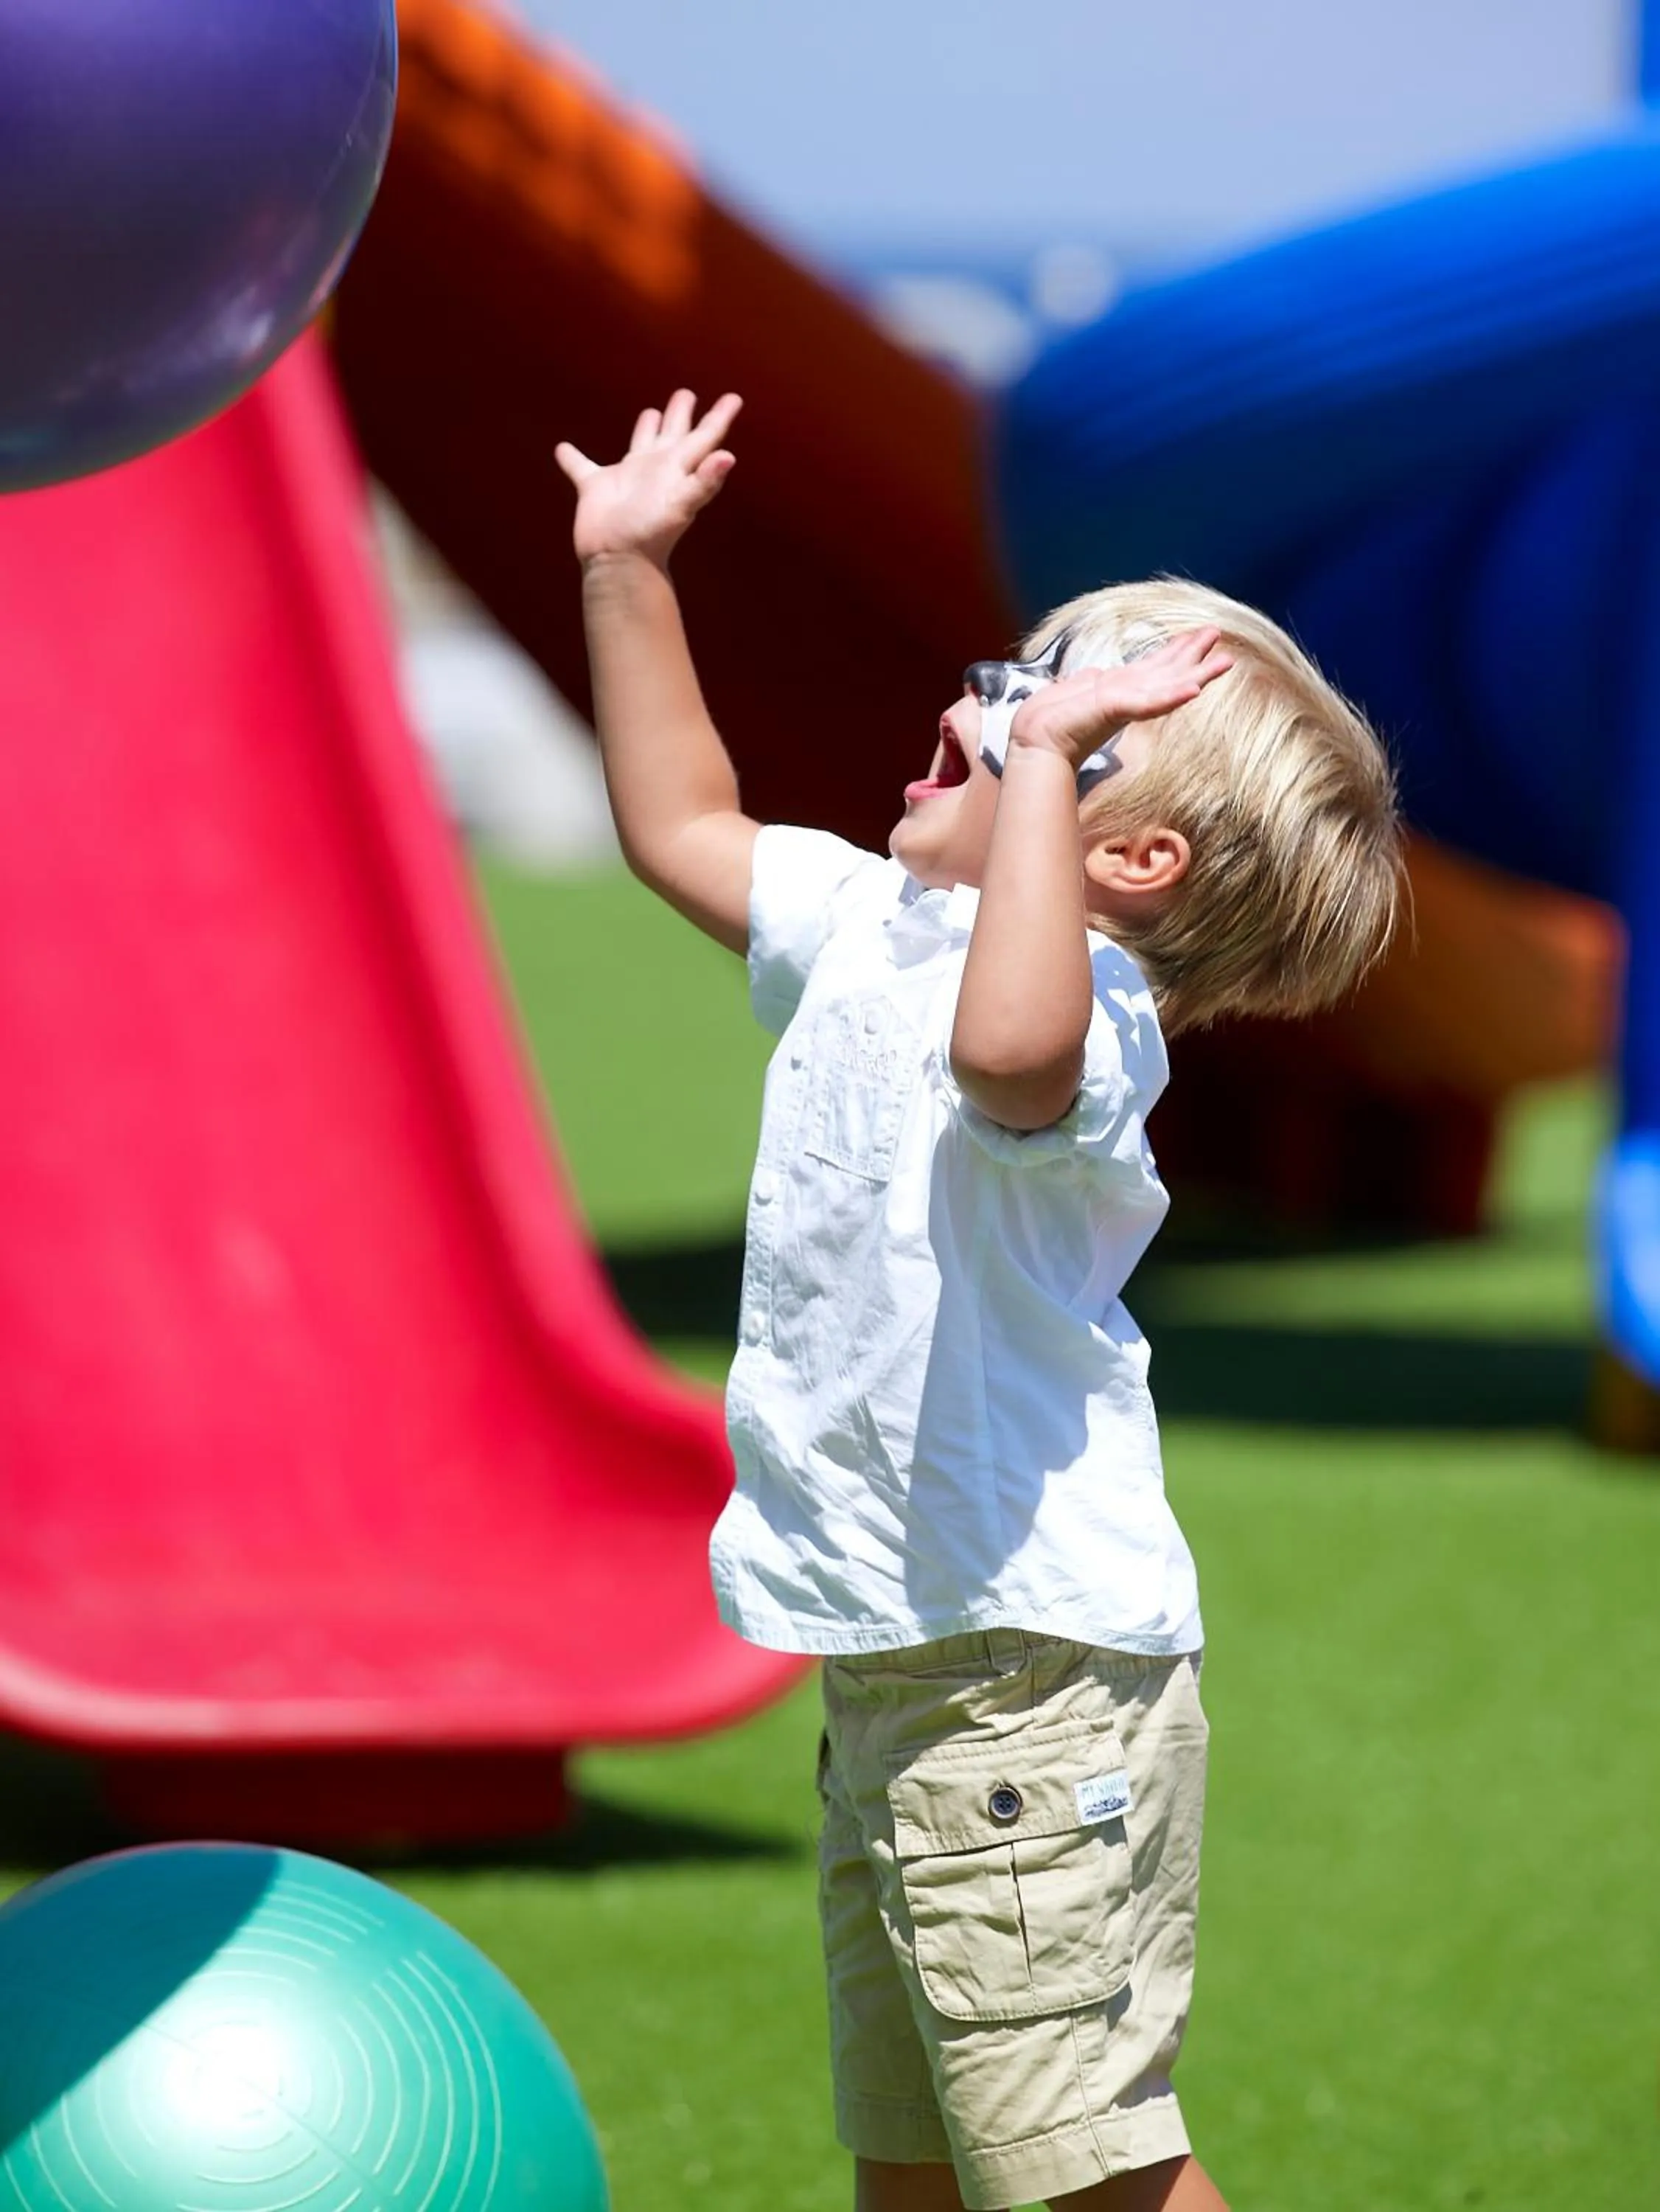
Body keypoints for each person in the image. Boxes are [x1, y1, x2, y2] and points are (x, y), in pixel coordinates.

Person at [555, 390, 1401, 2212]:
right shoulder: (874, 924)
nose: (991, 716)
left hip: (1030, 1685)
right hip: (901, 1665)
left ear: (1128, 868)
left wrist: (1033, 781)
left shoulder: (1086, 1016)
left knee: (1079, 2174)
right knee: (918, 2165)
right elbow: (683, 821)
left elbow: (1000, 1056)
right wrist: (627, 573)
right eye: (1016, 682)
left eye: (1053, 728)